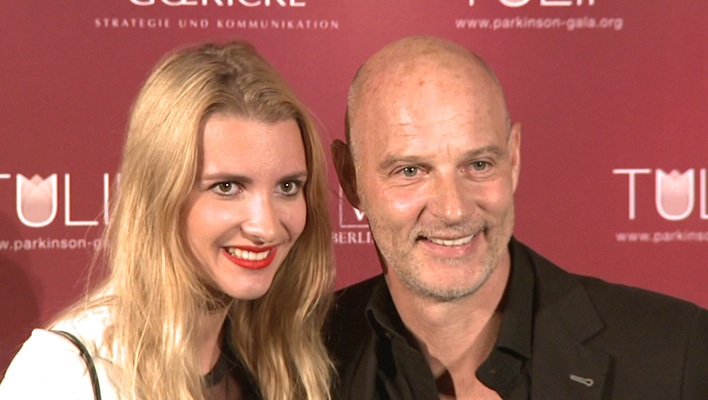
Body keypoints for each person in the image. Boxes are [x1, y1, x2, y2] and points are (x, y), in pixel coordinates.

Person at [326, 35, 708, 399]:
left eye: (478, 164)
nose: (454, 209)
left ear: (514, 157)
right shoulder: (295, 356)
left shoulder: (679, 352)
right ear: (350, 179)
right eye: (411, 171)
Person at [0, 40, 334, 400]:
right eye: (227, 187)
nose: (266, 226)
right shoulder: (64, 374)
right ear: (158, 195)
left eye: (287, 186)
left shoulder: (282, 358)